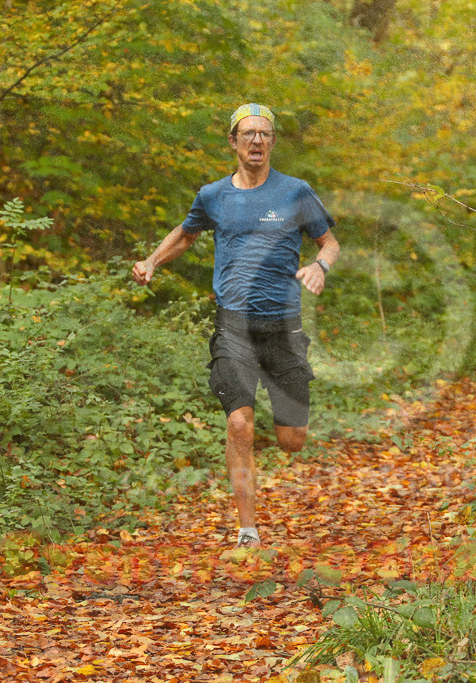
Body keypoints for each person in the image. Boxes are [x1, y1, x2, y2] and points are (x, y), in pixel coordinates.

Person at [132, 103, 340, 548]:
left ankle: (278, 422)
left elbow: (329, 243)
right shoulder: (213, 196)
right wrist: (151, 261)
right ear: (233, 141)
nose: (257, 140)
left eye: (265, 134)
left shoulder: (296, 192)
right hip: (234, 327)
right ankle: (248, 531)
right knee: (240, 424)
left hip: (283, 328)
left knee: (292, 440)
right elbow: (186, 234)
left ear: (273, 142)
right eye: (248, 133)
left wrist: (319, 266)